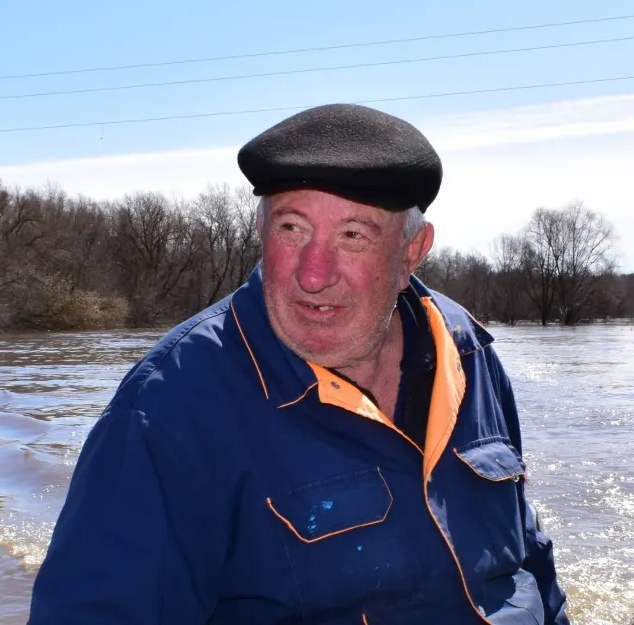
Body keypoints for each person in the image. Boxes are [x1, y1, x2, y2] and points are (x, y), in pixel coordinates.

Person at [28, 103, 569, 624]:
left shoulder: (466, 351)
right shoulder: (171, 406)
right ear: (262, 234)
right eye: (292, 228)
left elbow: (527, 552)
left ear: (412, 252)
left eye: (353, 235)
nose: (313, 274)